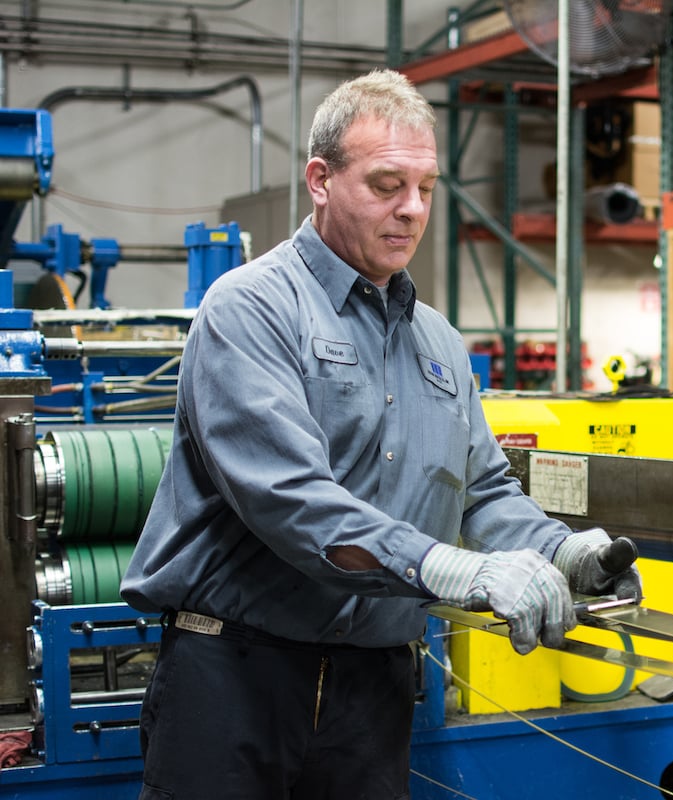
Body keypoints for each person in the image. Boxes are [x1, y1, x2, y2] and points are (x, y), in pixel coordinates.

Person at [120, 69, 641, 800]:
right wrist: (453, 570)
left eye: (425, 189)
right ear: (320, 180)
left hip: (374, 689)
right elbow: (292, 501)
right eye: (387, 185)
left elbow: (482, 492)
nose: (411, 210)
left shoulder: (439, 342)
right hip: (237, 675)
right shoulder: (250, 311)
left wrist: (562, 550)